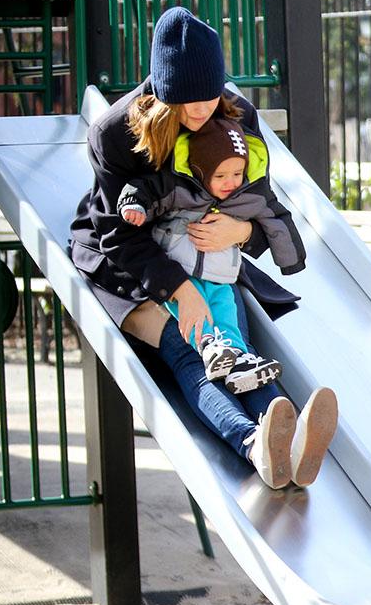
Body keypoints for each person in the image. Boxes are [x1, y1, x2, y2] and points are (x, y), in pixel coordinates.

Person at [69, 5, 338, 489]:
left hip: (203, 250)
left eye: (208, 95)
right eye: (185, 100)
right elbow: (118, 235)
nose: (199, 109)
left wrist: (240, 235)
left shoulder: (236, 116)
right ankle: (253, 445)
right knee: (190, 348)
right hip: (130, 262)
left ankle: (292, 441)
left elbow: (257, 206)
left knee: (236, 347)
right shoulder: (114, 133)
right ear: (160, 91)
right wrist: (179, 292)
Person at [116, 115, 306, 395]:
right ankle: (209, 346)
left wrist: (291, 260)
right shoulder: (181, 189)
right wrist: (134, 207)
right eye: (220, 176)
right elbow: (147, 189)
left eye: (237, 173)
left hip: (220, 277)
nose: (230, 182)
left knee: (226, 311)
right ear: (200, 171)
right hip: (179, 274)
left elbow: (277, 219)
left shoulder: (247, 196)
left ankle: (238, 359)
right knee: (195, 312)